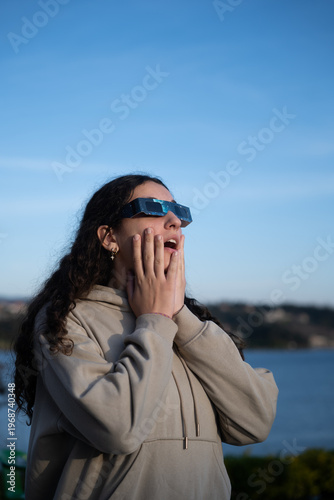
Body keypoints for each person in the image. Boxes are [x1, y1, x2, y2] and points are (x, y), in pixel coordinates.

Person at [14, 174, 278, 500]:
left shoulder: (193, 325)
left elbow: (256, 421)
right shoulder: (64, 319)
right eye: (153, 207)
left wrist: (177, 313)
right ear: (109, 237)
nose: (175, 221)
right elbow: (118, 430)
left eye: (179, 211)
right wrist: (155, 321)